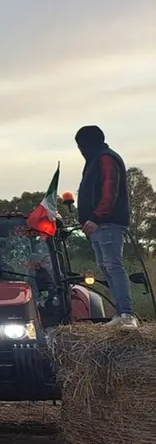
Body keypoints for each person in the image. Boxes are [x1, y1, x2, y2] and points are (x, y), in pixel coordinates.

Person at [75, 125, 137, 327]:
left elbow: (110, 190)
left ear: (87, 144)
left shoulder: (106, 158)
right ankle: (120, 313)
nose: (80, 150)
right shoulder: (96, 160)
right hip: (99, 224)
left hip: (108, 223)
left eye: (80, 145)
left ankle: (126, 314)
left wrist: (96, 217)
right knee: (106, 267)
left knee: (113, 265)